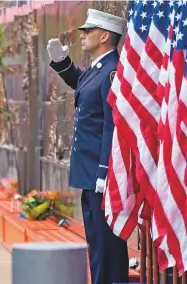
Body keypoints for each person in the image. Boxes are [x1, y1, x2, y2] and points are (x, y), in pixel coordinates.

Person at [47, 9, 128, 284]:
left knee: (106, 244)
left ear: (105, 36)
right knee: (95, 238)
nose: (82, 35)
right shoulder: (98, 69)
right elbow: (82, 83)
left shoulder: (112, 71)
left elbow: (111, 125)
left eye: (88, 31)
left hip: (99, 172)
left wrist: (104, 170)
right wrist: (62, 62)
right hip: (89, 170)